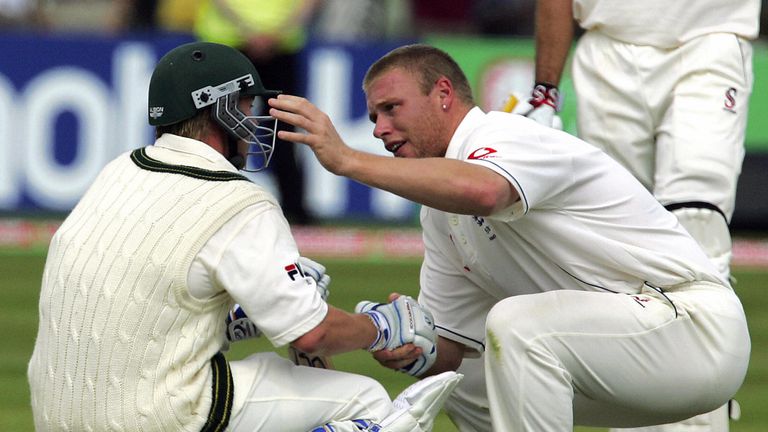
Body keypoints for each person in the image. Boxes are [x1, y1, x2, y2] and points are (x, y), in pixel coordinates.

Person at [268, 43, 752, 431]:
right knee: (461, 380)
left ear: (443, 92)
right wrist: (394, 338)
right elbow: (452, 345)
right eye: (373, 117)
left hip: (692, 329)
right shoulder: (438, 213)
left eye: (392, 109)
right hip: (623, 353)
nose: (380, 129)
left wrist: (347, 160)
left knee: (517, 324)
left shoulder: (505, 134)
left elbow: (486, 192)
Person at [26, 41, 462, 432]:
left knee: (279, 373)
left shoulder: (118, 171)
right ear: (222, 110)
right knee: (365, 401)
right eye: (249, 105)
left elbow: (131, 294)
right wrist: (380, 328)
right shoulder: (237, 201)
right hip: (161, 416)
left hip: (56, 411)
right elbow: (311, 336)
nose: (255, 119)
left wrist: (231, 319)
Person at [510, 1, 761, 430]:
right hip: (608, 49)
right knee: (620, 247)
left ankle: (698, 418)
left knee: (697, 224)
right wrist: (545, 90)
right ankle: (638, 408)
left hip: (711, 40)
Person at [194, 0, 322, 224]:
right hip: (238, 43)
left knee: (280, 127)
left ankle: (291, 206)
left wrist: (254, 32)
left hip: (248, 42)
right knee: (224, 127)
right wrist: (273, 32)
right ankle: (291, 209)